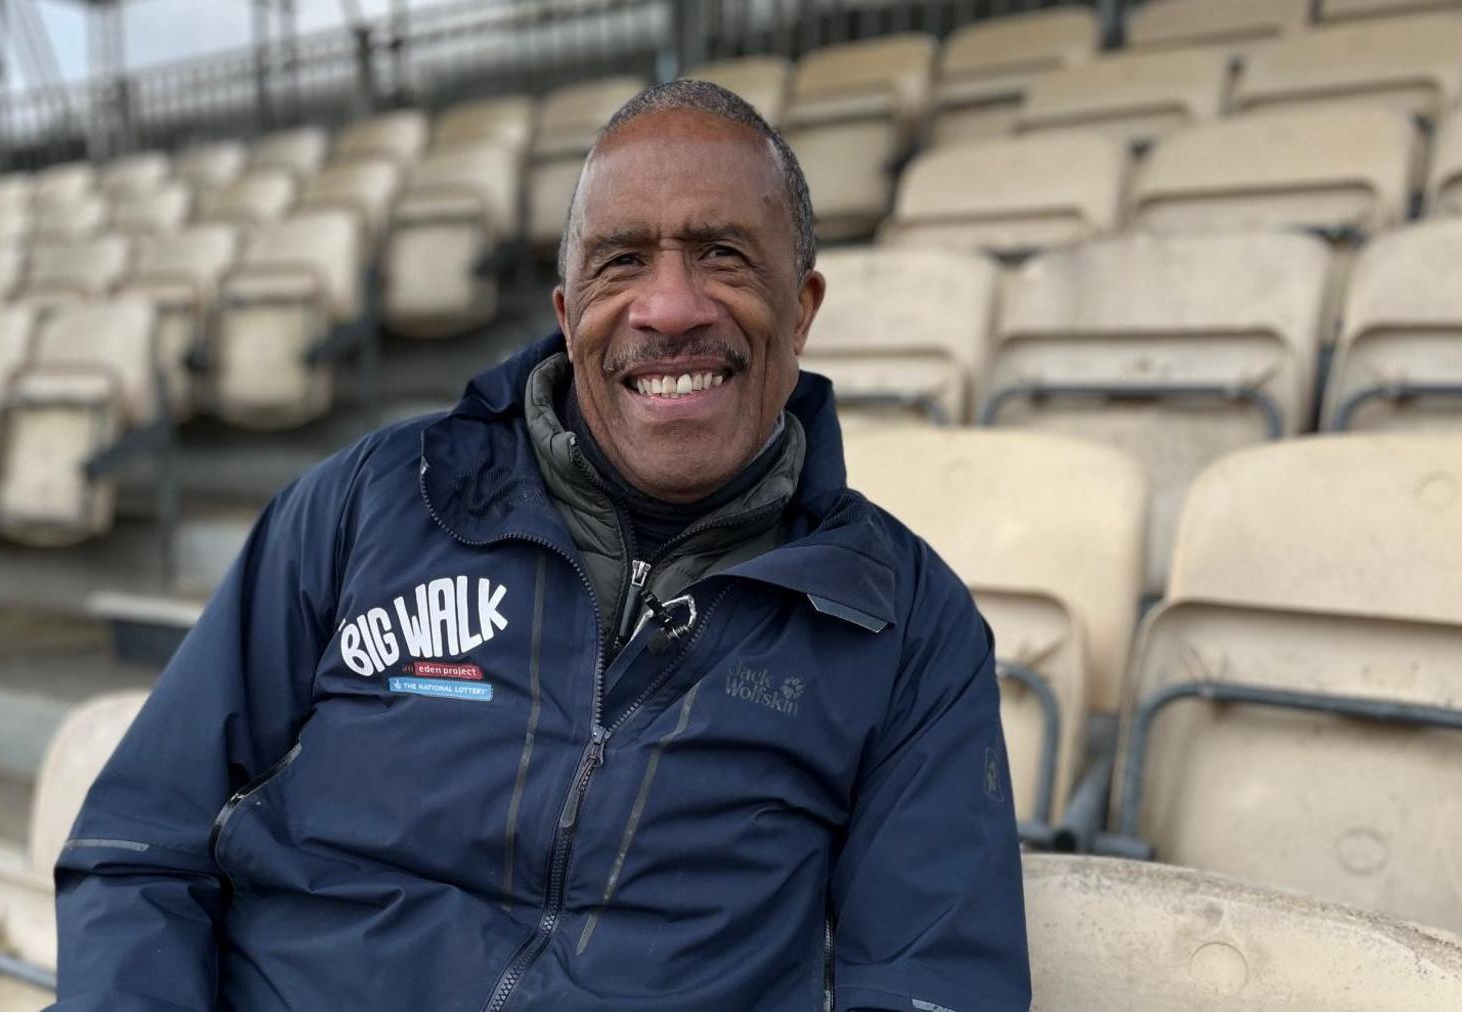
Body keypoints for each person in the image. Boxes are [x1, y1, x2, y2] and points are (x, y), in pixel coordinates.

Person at [55, 80, 1030, 1011]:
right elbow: (144, 835)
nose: (669, 306)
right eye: (621, 261)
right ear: (568, 316)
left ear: (804, 307)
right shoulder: (371, 501)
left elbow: (933, 981)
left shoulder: (906, 625)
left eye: (724, 256)